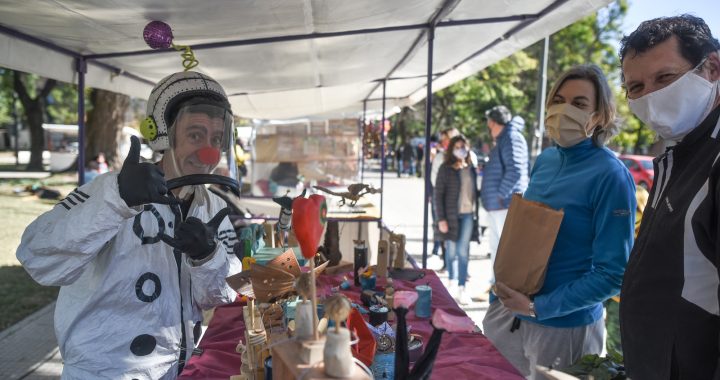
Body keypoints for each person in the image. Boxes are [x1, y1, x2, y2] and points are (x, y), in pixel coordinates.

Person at [16, 71, 243, 379]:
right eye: (195, 135)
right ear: (162, 133)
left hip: (177, 370)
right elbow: (39, 259)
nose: (209, 152)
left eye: (216, 139)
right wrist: (117, 199)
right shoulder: (110, 190)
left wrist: (207, 257)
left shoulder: (212, 206)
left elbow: (220, 296)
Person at [482, 64, 636, 378]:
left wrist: (539, 307)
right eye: (558, 100)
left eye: (579, 103)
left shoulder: (612, 176)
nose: (564, 110)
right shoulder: (546, 160)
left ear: (599, 116)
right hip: (508, 315)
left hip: (563, 330)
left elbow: (614, 274)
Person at [618, 15, 720, 379]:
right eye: (635, 87)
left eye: (665, 78)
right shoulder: (681, 153)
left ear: (711, 68)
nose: (651, 97)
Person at [480, 105, 529, 286]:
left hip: (506, 203)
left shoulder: (511, 138)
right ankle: (497, 284)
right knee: (498, 247)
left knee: (506, 249)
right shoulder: (505, 139)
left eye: (488, 124)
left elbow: (515, 171)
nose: (488, 128)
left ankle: (505, 285)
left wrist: (500, 194)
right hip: (499, 204)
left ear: (493, 122)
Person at [434, 135, 479, 305]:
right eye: (458, 146)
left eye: (464, 146)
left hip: (468, 215)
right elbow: (438, 195)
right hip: (451, 215)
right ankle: (451, 282)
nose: (461, 149)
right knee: (451, 250)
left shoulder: (471, 168)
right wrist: (441, 219)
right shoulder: (445, 169)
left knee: (463, 251)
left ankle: (462, 287)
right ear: (452, 149)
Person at [430, 128, 460, 270]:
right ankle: (447, 263)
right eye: (443, 139)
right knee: (443, 232)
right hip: (442, 199)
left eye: (446, 138)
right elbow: (434, 179)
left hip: (459, 203)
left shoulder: (466, 156)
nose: (443, 142)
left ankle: (459, 268)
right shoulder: (440, 157)